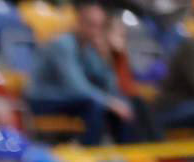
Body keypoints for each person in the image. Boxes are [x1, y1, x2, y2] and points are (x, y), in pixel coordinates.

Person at [29, 0, 135, 144]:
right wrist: (109, 102)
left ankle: (130, 156)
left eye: (100, 27)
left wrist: (106, 55)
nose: (96, 31)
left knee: (129, 104)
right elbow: (76, 87)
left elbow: (108, 85)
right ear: (79, 23)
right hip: (43, 99)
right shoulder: (63, 44)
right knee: (96, 106)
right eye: (91, 25)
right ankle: (92, 155)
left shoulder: (88, 47)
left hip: (69, 99)